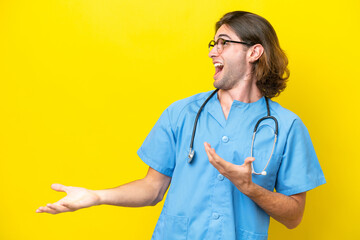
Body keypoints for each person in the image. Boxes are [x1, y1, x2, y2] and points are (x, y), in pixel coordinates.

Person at [37, 11, 326, 240]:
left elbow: (294, 216)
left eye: (225, 42)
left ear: (254, 53)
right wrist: (97, 196)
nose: (214, 51)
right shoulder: (182, 113)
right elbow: (152, 189)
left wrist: (249, 187)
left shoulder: (286, 126)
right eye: (214, 43)